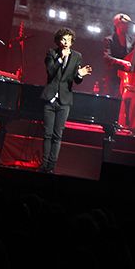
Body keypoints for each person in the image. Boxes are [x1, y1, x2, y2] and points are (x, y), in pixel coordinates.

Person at [39, 27, 91, 173]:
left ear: (72, 41)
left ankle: (51, 167)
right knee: (47, 134)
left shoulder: (77, 56)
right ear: (58, 41)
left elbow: (75, 80)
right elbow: (50, 72)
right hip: (50, 99)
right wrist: (61, 58)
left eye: (69, 40)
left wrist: (80, 74)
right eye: (63, 39)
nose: (66, 42)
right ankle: (44, 165)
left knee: (57, 135)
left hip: (64, 101)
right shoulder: (52, 53)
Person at [102, 13, 135, 135]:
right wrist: (122, 62)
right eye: (124, 24)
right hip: (114, 76)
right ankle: (109, 126)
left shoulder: (130, 40)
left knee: (126, 103)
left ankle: (128, 125)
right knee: (113, 102)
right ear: (117, 24)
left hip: (128, 78)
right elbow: (106, 58)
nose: (127, 26)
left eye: (128, 24)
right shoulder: (109, 40)